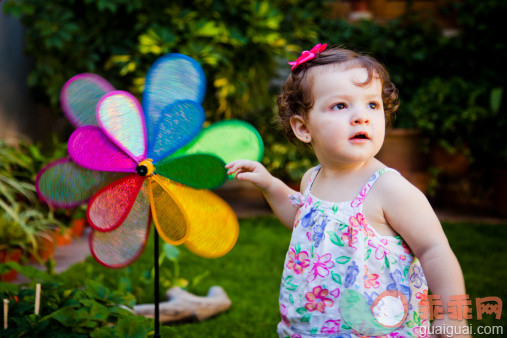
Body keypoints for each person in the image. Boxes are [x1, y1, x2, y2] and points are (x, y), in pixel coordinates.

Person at [226, 44, 470, 337]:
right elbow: (302, 222)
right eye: (341, 106)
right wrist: (268, 184)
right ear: (303, 128)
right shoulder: (312, 178)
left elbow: (435, 251)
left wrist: (452, 318)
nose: (361, 116)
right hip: (314, 322)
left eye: (372, 104)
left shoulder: (388, 189)